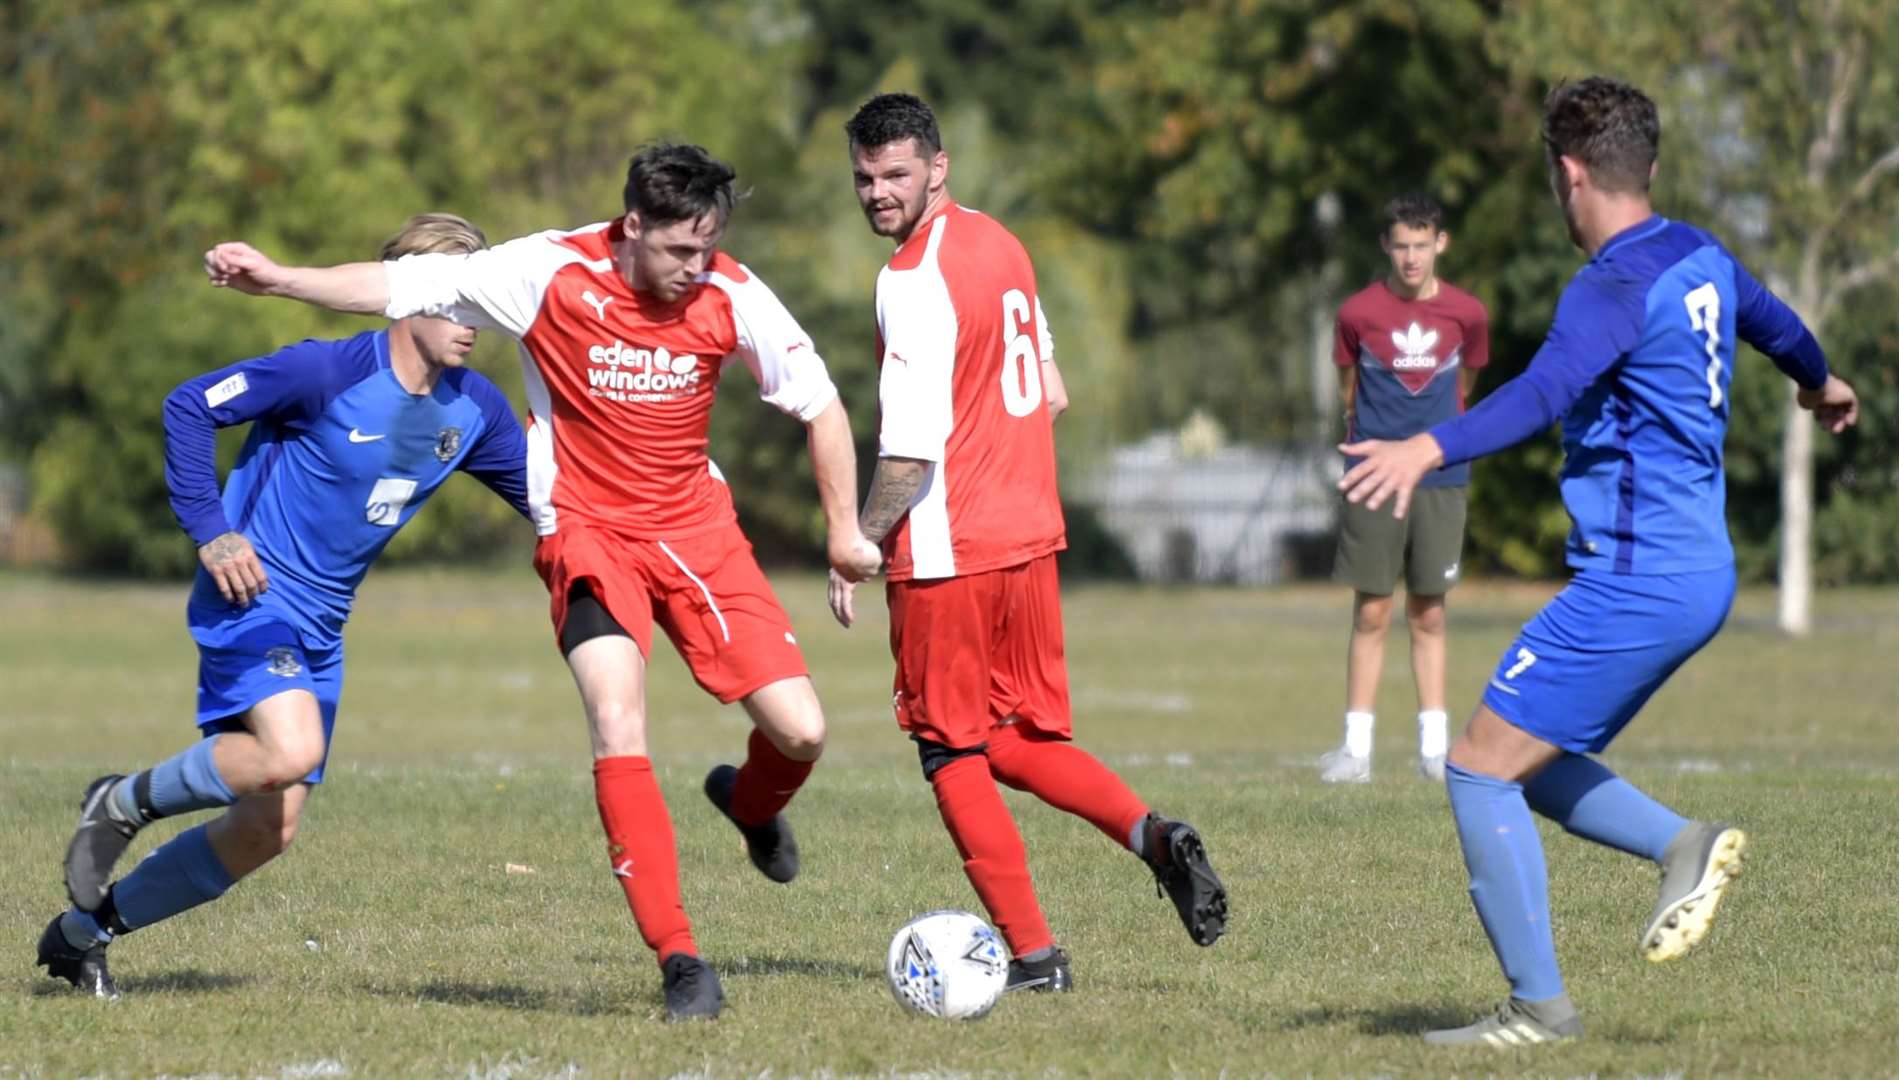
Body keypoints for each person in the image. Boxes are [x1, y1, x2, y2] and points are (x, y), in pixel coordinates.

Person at [202, 145, 881, 1021]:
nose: (694, 270)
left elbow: (820, 405)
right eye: (679, 251)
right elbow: (394, 285)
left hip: (698, 535)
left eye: (707, 250)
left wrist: (841, 532)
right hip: (590, 534)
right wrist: (279, 279)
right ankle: (681, 962)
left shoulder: (732, 294)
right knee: (616, 717)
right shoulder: (546, 273)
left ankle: (748, 803)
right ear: (632, 225)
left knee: (802, 732)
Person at [1338, 77, 1860, 1046]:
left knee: (1477, 770)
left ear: (1569, 175)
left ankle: (1538, 1010)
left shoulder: (1612, 284)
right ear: (1647, 169)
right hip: (1696, 572)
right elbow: (1779, 325)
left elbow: (1541, 393)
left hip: (1637, 579)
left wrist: (1426, 446)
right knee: (1532, 764)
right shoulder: (1699, 253)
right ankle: (1682, 844)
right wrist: (1821, 381)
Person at [41, 214, 533, 1000]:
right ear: (403, 297)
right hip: (252, 596)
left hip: (323, 630)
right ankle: (120, 801)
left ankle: (82, 936)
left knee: (268, 831)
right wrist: (213, 532)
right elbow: (189, 405)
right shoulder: (325, 372)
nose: (473, 323)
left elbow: (551, 507)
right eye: (454, 300)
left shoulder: (474, 411)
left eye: (481, 304)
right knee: (290, 752)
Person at [830, 93, 1228, 995]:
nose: (877, 193)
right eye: (863, 176)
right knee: (1010, 736)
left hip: (948, 547)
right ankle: (1153, 836)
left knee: (950, 749)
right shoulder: (1002, 244)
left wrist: (858, 540)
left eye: (894, 174)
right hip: (1028, 535)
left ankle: (1035, 957)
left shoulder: (909, 277)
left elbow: (908, 448)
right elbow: (1049, 389)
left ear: (938, 167)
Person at [1322, 192, 1489, 784]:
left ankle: (1434, 753)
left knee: (1430, 613)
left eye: (1422, 245)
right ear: (1386, 247)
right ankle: (1356, 752)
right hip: (1371, 476)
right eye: (1401, 245)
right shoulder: (1357, 313)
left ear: (1440, 244)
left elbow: (1466, 384)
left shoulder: (1467, 314)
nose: (1412, 257)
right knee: (1371, 610)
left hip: (1441, 477)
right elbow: (1349, 390)